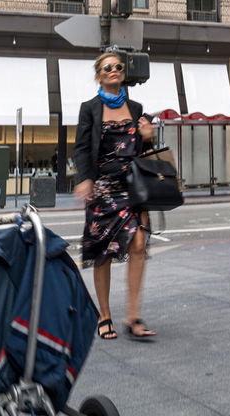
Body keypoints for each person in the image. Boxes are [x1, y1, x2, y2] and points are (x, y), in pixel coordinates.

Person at [72, 51, 158, 340]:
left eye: (118, 66)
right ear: (99, 75)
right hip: (103, 189)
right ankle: (104, 315)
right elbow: (82, 148)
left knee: (138, 244)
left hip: (132, 187)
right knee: (103, 253)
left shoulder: (136, 108)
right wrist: (85, 180)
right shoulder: (90, 108)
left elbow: (143, 153)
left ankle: (133, 315)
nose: (114, 70)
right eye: (107, 67)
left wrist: (148, 137)